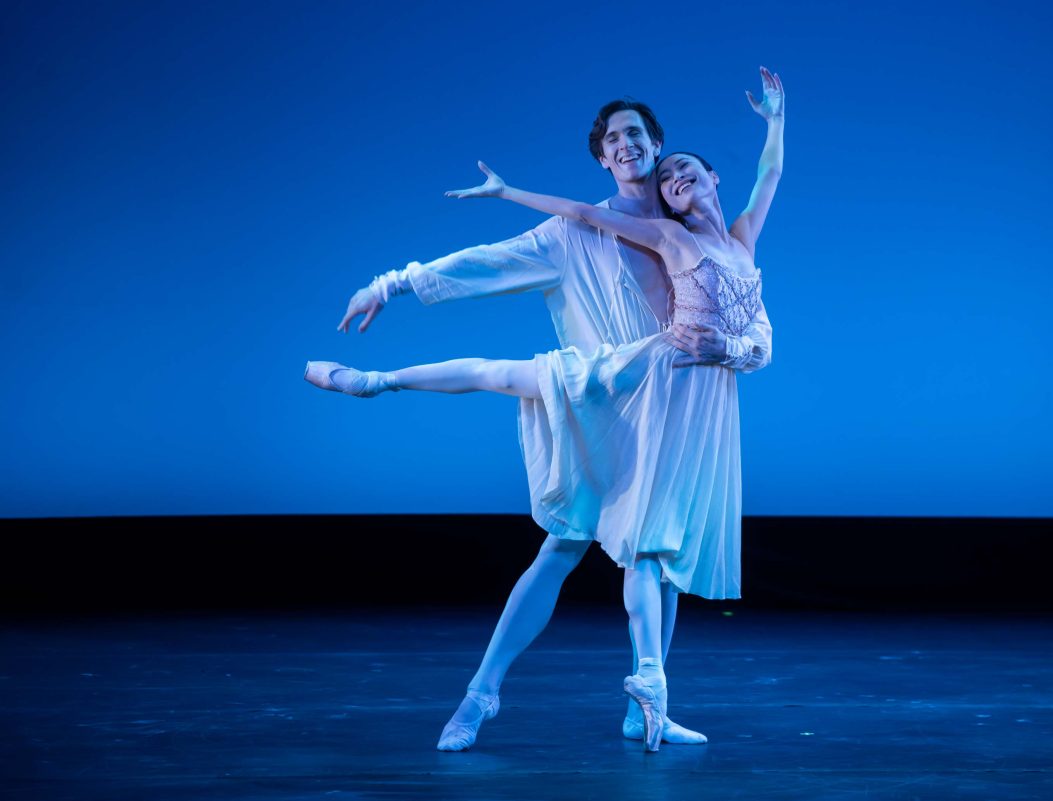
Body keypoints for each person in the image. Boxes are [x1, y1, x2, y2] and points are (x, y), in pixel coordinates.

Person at [310, 69, 785, 752]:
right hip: (607, 403)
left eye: (636, 134)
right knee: (561, 548)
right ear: (602, 158)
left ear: (658, 145)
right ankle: (481, 693)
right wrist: (393, 284)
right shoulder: (572, 234)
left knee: (661, 555)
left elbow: (745, 283)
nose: (626, 145)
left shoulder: (693, 227)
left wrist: (743, 345)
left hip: (675, 412)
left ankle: (646, 704)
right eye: (612, 139)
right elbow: (487, 262)